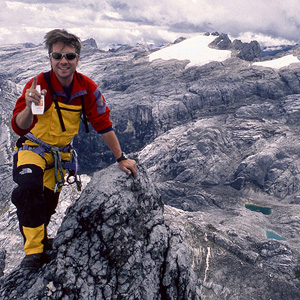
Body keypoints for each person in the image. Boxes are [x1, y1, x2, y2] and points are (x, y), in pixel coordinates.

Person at [11, 29, 137, 270]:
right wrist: (28, 105)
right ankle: (34, 253)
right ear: (50, 58)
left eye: (69, 56)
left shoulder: (87, 88)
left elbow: (103, 124)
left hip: (60, 158)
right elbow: (20, 127)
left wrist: (121, 158)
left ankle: (42, 243)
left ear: (78, 59)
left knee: (45, 207)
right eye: (57, 56)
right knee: (28, 191)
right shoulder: (38, 86)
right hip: (32, 149)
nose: (63, 61)